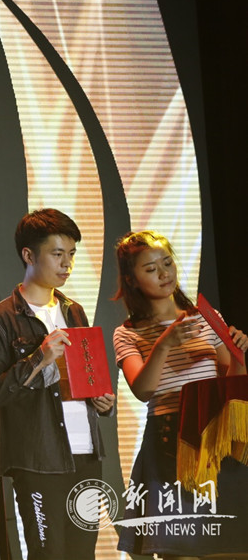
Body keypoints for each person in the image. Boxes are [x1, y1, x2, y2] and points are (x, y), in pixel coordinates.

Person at [0, 208, 115, 560]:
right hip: (39, 459)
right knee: (48, 553)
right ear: (29, 255)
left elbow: (86, 376)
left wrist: (102, 401)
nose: (67, 263)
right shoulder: (0, 319)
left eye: (71, 254)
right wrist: (39, 358)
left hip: (85, 453)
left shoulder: (74, 311)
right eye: (57, 254)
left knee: (83, 553)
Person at [112, 230, 248, 557]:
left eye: (167, 263)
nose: (164, 273)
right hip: (169, 441)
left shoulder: (206, 319)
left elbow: (232, 384)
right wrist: (164, 344)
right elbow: (142, 389)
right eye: (150, 269)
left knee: (228, 548)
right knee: (179, 549)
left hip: (214, 438)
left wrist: (239, 354)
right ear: (131, 279)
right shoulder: (127, 333)